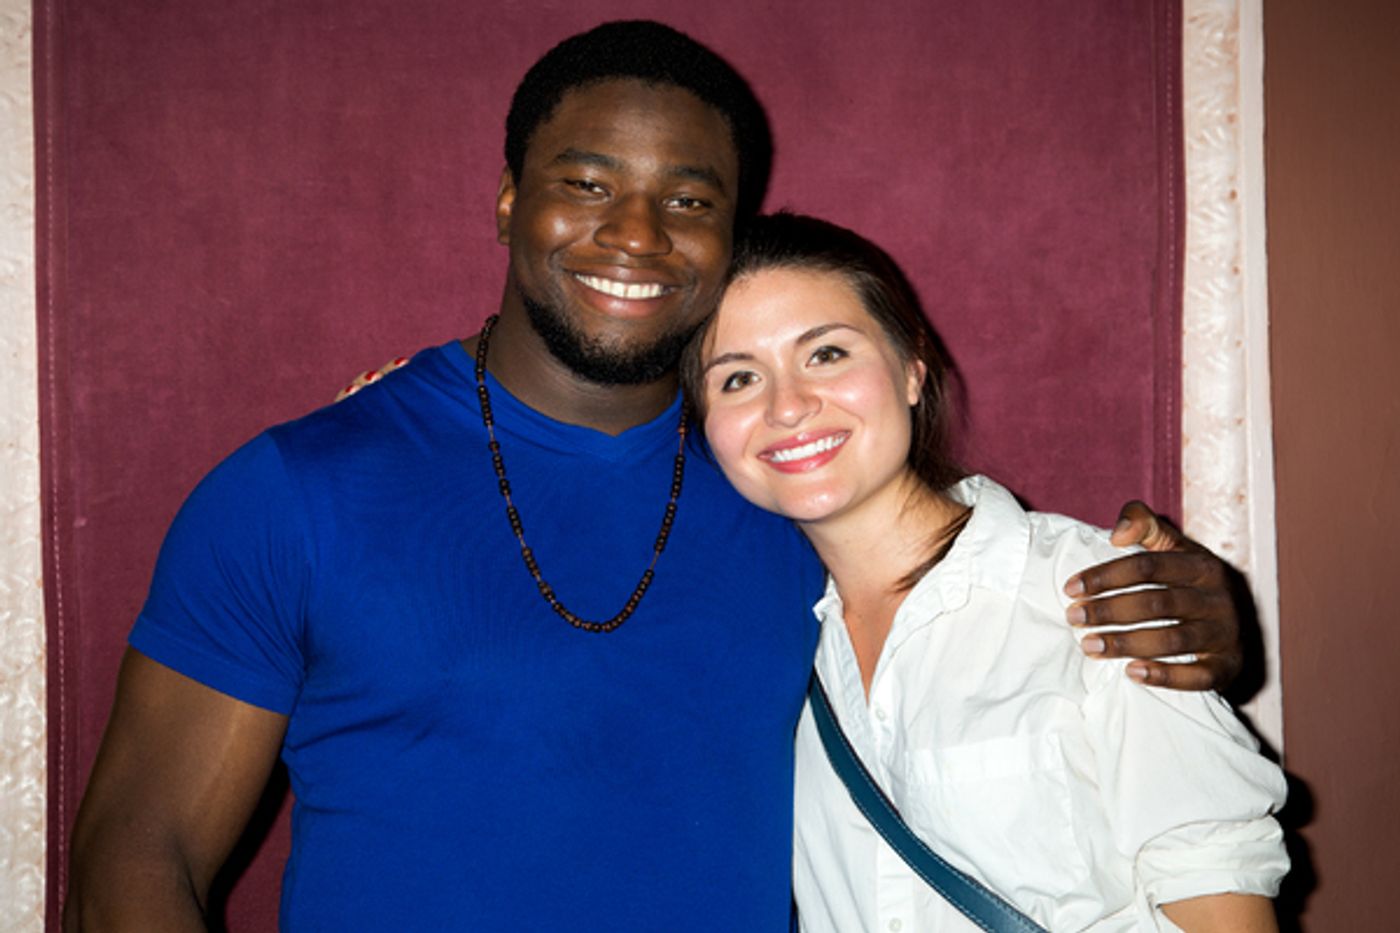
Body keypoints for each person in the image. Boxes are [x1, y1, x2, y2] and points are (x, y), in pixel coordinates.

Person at [66, 20, 1247, 932]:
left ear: (730, 236)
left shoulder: (787, 494)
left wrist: (1184, 614)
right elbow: (139, 849)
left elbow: (974, 616)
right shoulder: (295, 491)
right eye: (586, 184)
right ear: (507, 201)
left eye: (688, 201)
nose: (634, 235)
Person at [682, 212, 1287, 932]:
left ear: (911, 368)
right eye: (740, 377)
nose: (787, 405)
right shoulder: (761, 643)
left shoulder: (1090, 593)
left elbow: (1220, 899)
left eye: (827, 354)